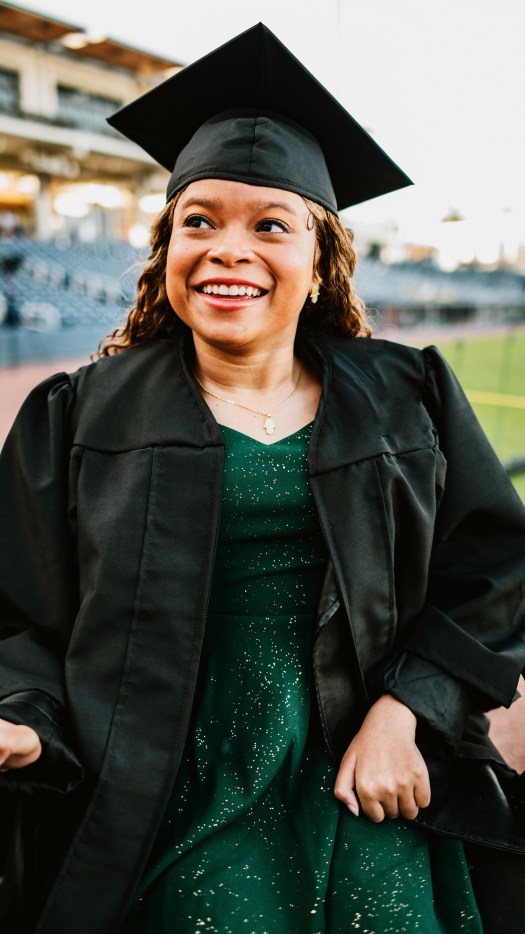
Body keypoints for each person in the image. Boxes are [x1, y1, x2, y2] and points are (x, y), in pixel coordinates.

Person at [1, 23, 524, 934]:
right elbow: (21, 614)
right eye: (197, 221)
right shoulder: (77, 415)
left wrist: (408, 710)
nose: (226, 249)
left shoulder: (410, 396)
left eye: (269, 225)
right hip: (162, 779)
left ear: (318, 260)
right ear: (165, 248)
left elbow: (493, 573)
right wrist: (23, 719)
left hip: (372, 769)